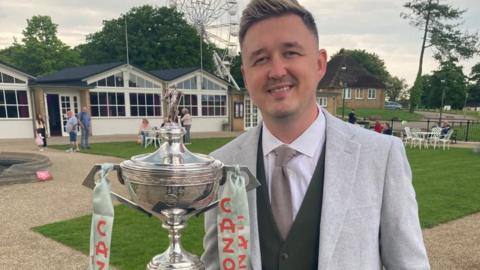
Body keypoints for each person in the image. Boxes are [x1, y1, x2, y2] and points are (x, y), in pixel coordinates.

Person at [201, 1, 430, 269]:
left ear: (320, 64)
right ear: (245, 74)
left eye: (290, 53)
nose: (276, 71)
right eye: (260, 59)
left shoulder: (381, 157)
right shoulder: (222, 165)